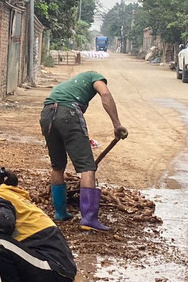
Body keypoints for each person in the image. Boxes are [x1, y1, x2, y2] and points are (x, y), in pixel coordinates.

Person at [40, 69, 129, 230]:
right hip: (68, 112)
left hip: (47, 113)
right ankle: (88, 218)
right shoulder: (95, 77)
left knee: (57, 166)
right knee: (87, 167)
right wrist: (116, 124)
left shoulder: (68, 86)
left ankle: (60, 213)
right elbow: (106, 95)